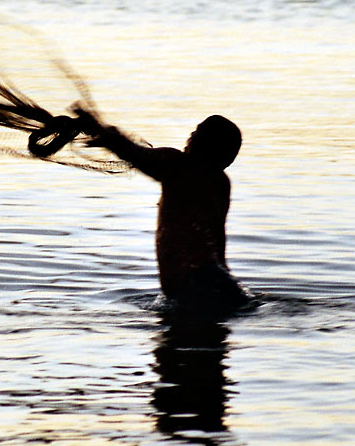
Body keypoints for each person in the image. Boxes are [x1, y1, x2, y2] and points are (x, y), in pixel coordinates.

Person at [74, 108, 250, 311]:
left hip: (197, 287)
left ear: (204, 143)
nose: (190, 135)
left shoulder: (177, 165)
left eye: (197, 131)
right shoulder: (220, 182)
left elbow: (133, 153)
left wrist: (99, 130)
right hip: (218, 283)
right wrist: (106, 134)